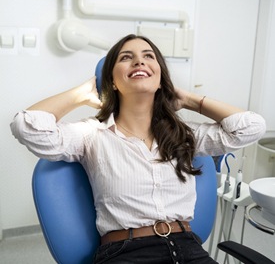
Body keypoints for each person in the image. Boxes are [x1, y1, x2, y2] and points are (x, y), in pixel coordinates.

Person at [11, 34, 266, 264]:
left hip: (190, 250)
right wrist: (82, 93)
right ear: (111, 80)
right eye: (126, 57)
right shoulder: (91, 134)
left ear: (159, 78)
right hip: (127, 253)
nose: (139, 62)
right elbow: (27, 127)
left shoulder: (184, 135)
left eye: (148, 56)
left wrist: (190, 100)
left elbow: (251, 127)